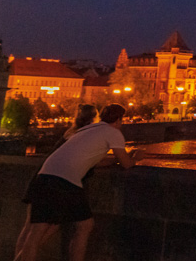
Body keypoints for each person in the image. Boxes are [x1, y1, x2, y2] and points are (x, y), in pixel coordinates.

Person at [14, 103, 143, 261]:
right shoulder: (113, 132)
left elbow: (91, 160)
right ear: (118, 120)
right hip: (66, 181)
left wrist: (113, 160)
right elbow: (126, 164)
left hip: (45, 176)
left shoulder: (86, 129)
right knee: (82, 226)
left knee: (38, 230)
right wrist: (136, 158)